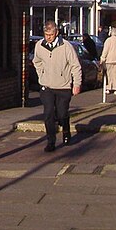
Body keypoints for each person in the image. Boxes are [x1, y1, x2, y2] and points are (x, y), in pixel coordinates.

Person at [32, 21, 82, 151]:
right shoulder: (39, 45)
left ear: (57, 33)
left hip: (63, 86)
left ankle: (65, 129)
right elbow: (36, 61)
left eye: (51, 34)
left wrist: (76, 84)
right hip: (46, 86)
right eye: (46, 34)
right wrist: (41, 74)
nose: (48, 37)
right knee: (48, 114)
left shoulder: (66, 46)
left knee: (61, 114)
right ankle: (51, 141)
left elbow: (75, 66)